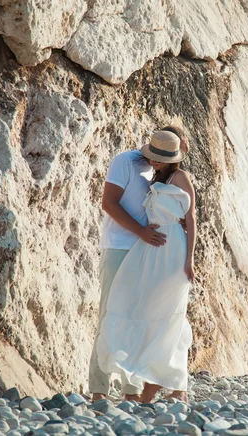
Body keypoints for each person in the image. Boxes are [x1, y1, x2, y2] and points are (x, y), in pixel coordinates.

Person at [96, 130, 196, 403]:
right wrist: (142, 232)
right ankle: (113, 388)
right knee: (132, 313)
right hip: (140, 249)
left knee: (165, 313)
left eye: (159, 158)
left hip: (166, 250)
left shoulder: (180, 177)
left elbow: (191, 217)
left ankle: (158, 387)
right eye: (152, 155)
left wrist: (189, 258)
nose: (152, 161)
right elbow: (111, 203)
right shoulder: (140, 168)